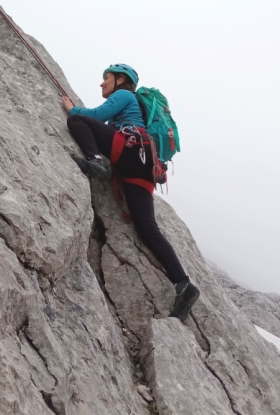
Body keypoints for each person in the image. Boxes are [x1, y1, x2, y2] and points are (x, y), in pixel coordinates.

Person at [62, 64, 200, 322]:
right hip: (146, 165)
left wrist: (72, 108)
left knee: (77, 120)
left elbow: (97, 115)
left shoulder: (125, 95)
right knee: (147, 227)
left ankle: (96, 161)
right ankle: (183, 284)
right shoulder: (131, 103)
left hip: (129, 147)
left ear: (121, 79)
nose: (102, 84)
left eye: (107, 79)